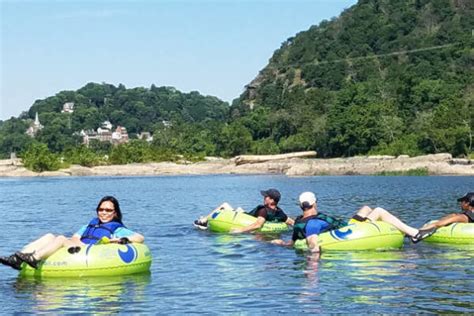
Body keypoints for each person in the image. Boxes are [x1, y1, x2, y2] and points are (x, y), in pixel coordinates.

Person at [0, 196, 145, 270]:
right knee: (50, 236)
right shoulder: (91, 224)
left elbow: (140, 237)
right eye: (101, 209)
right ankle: (17, 258)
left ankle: (34, 258)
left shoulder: (117, 228)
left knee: (61, 238)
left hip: (93, 252)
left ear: (115, 213)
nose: (104, 213)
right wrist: (71, 241)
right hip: (80, 246)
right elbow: (76, 237)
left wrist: (118, 240)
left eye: (108, 210)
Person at [271, 192, 436, 252]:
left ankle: (408, 232)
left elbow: (292, 243)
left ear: (301, 206)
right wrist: (313, 275)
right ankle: (414, 234)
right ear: (314, 203)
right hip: (352, 230)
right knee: (378, 210)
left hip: (349, 224)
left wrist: (280, 242)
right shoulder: (314, 223)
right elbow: (313, 244)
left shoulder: (300, 221)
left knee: (365, 208)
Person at [193, 188, 294, 233]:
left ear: (271, 200)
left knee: (225, 205)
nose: (264, 198)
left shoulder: (263, 210)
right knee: (239, 209)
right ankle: (204, 219)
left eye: (266, 197)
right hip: (246, 216)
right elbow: (291, 222)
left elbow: (258, 224)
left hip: (243, 219)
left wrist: (239, 230)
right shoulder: (279, 212)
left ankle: (203, 221)